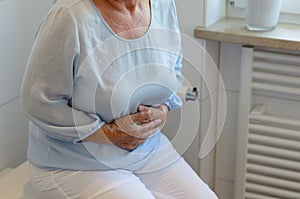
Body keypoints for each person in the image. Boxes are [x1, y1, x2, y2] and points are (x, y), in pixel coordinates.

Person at [21, 0, 218, 198]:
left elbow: (172, 70)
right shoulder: (69, 15)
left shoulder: (163, 4)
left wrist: (162, 110)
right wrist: (110, 133)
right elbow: (39, 101)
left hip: (146, 150)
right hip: (74, 163)